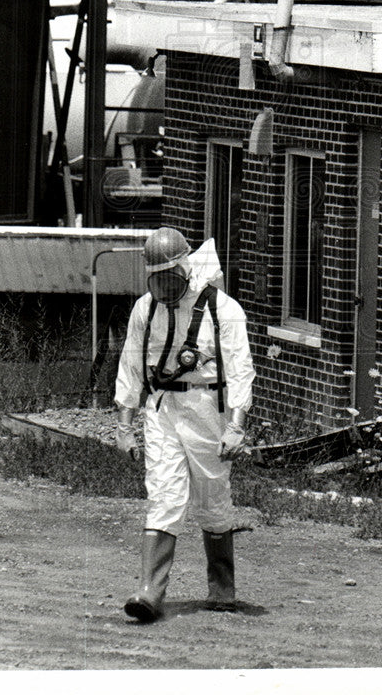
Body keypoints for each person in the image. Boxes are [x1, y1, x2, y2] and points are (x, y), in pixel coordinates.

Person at [114, 227, 255, 622]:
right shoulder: (145, 309)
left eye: (170, 278)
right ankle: (149, 592)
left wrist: (236, 425)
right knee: (163, 494)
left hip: (208, 408)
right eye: (156, 280)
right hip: (163, 408)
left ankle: (222, 589)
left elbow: (241, 371)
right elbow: (130, 367)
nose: (164, 288)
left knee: (212, 497)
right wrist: (125, 424)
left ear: (186, 268)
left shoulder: (223, 309)